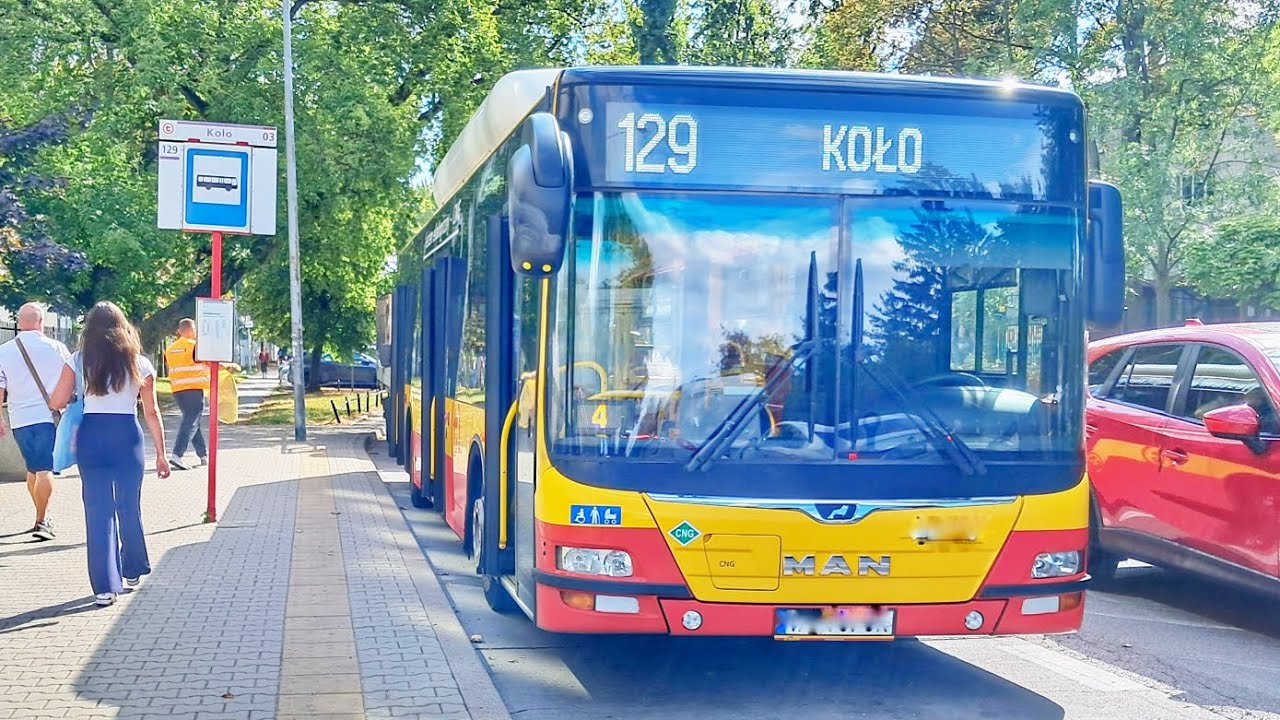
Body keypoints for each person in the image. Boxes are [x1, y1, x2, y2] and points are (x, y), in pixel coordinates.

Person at [51, 302, 170, 606]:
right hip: (127, 436)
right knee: (129, 505)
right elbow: (152, 412)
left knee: (97, 509)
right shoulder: (140, 363)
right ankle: (132, 568)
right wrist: (161, 453)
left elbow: (57, 400)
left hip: (92, 435)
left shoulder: (78, 360)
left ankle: (105, 586)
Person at [0, 302, 72, 541]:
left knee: (32, 469)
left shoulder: (4, 351)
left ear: (19, 322)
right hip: (47, 417)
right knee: (43, 470)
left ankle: (41, 514)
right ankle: (43, 521)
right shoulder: (57, 348)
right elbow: (71, 381)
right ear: (41, 321)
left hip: (19, 418)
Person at [163, 318, 209, 470]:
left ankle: (203, 454)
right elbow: (209, 363)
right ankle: (177, 454)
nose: (196, 333)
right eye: (195, 329)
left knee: (193, 421)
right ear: (190, 330)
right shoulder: (195, 346)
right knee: (190, 421)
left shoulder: (170, 348)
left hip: (178, 390)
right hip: (194, 388)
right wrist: (228, 367)